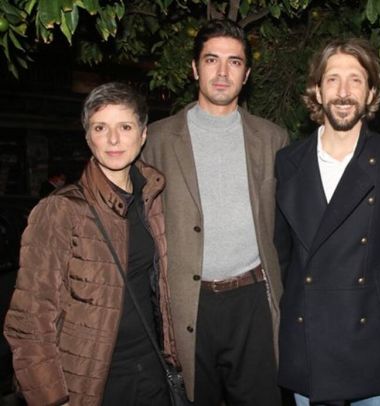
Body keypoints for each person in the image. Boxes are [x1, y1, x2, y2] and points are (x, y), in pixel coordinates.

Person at [3, 82, 180, 406]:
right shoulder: (60, 210)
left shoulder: (152, 199)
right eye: (101, 127)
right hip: (89, 383)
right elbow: (29, 319)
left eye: (125, 127)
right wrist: (52, 398)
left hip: (152, 369)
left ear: (143, 135)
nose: (113, 139)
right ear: (88, 137)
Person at [142, 19, 288, 406]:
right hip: (188, 303)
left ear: (247, 74)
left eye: (234, 62)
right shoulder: (156, 140)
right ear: (194, 68)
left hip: (255, 301)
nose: (222, 72)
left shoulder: (273, 139)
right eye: (211, 60)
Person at [274, 38, 380, 405]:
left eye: (355, 80)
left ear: (371, 93)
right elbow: (283, 259)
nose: (343, 92)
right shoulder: (287, 162)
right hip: (309, 342)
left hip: (372, 341)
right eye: (333, 79)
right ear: (317, 91)